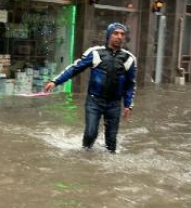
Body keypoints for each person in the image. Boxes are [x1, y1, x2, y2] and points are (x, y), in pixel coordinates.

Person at [44, 22, 137, 153]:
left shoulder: (129, 58)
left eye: (122, 34)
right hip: (94, 101)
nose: (119, 37)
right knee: (90, 134)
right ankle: (84, 158)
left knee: (111, 142)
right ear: (109, 35)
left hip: (114, 104)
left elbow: (130, 84)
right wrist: (56, 81)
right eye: (116, 33)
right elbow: (74, 68)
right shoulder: (95, 53)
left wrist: (128, 105)